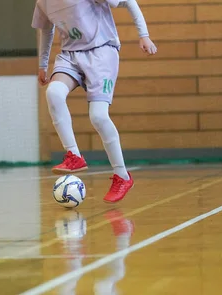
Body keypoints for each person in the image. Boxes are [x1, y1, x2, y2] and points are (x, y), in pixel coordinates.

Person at [32, 0, 157, 203]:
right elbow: (46, 30)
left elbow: (128, 1)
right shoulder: (43, 2)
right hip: (70, 55)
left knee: (98, 116)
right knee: (53, 93)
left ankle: (122, 176)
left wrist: (144, 35)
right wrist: (43, 64)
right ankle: (74, 155)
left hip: (102, 52)